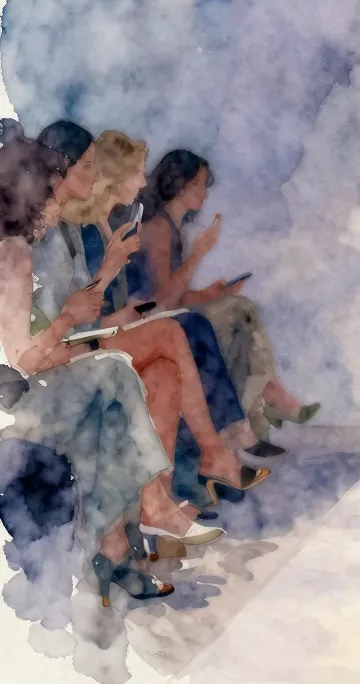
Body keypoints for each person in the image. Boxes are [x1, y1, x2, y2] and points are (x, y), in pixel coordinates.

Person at [0, 126, 198, 606]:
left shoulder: (35, 244)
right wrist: (71, 319)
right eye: (86, 166)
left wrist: (89, 310)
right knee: (114, 373)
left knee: (118, 387)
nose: (94, 175)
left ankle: (114, 546)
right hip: (23, 398)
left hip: (47, 378)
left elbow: (56, 338)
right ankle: (126, 530)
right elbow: (22, 360)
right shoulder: (15, 256)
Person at [34, 124, 271, 514]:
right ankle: (213, 456)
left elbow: (91, 305)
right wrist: (117, 278)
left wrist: (123, 307)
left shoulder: (83, 228)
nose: (143, 182)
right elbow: (71, 314)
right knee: (178, 330)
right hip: (65, 350)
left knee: (171, 360)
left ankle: (167, 497)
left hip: (90, 333)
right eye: (88, 165)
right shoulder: (69, 232)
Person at [132, 150, 318, 440]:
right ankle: (265, 402)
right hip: (149, 327)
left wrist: (210, 294)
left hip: (166, 317)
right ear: (178, 185)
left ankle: (263, 404)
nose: (205, 193)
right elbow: (161, 301)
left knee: (238, 309)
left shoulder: (170, 227)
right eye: (198, 184)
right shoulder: (158, 229)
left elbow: (174, 295)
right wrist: (197, 255)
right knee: (239, 313)